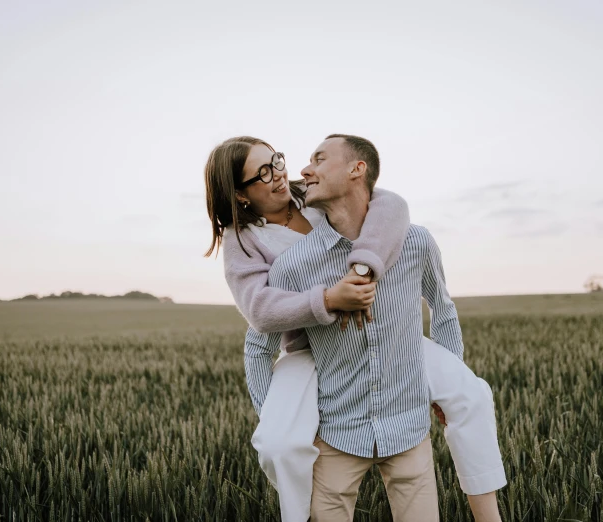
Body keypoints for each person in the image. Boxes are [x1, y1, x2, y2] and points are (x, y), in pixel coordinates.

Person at [205, 136, 505, 522]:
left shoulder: (308, 192)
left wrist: (363, 269)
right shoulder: (243, 241)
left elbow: (390, 204)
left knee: (472, 395)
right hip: (308, 347)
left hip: (386, 332)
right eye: (262, 173)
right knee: (279, 443)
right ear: (240, 194)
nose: (279, 175)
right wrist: (330, 299)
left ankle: (488, 515)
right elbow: (259, 312)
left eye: (276, 161)